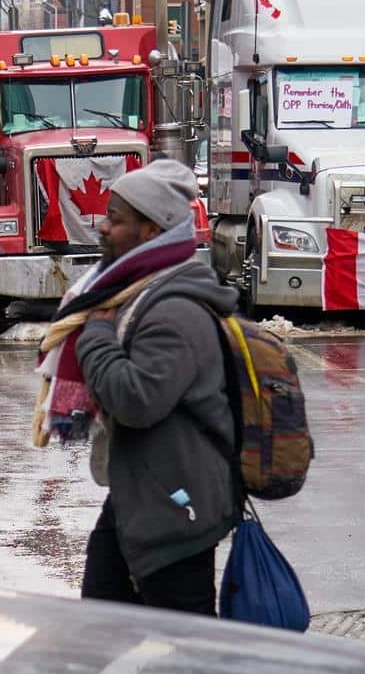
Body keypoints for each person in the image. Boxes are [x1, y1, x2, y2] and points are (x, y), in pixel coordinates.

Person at [39, 159, 240, 615]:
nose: (103, 227)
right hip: (143, 497)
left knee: (186, 652)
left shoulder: (173, 309)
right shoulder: (138, 292)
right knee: (102, 629)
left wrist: (95, 334)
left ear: (152, 232)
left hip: (176, 508)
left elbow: (135, 400)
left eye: (116, 219)